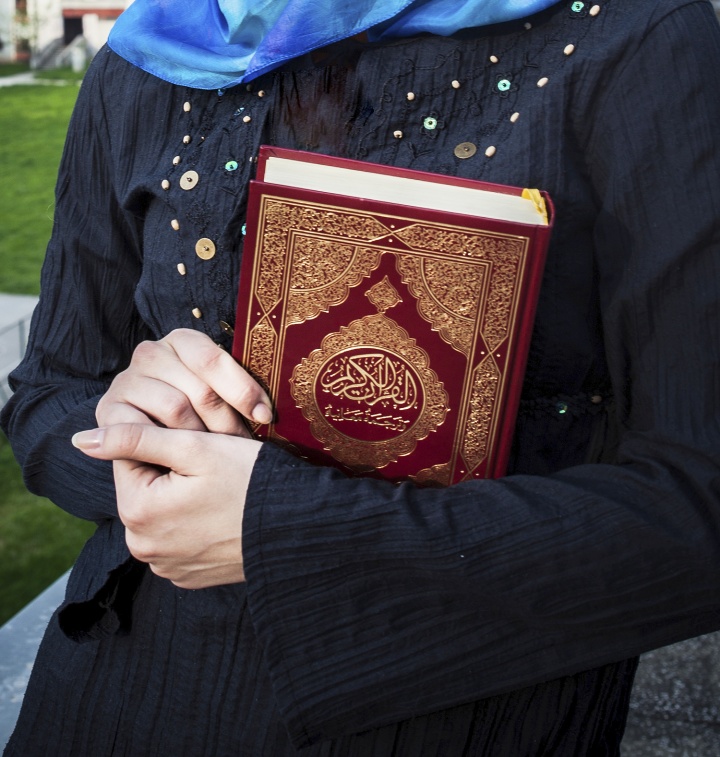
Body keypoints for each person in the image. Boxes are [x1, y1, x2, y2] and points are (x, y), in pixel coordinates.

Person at [3, 0, 720, 754]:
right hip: (118, 692)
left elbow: (700, 499)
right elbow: (50, 394)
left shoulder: (635, 37)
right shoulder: (153, 49)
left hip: (457, 713)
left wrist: (281, 529)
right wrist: (134, 445)